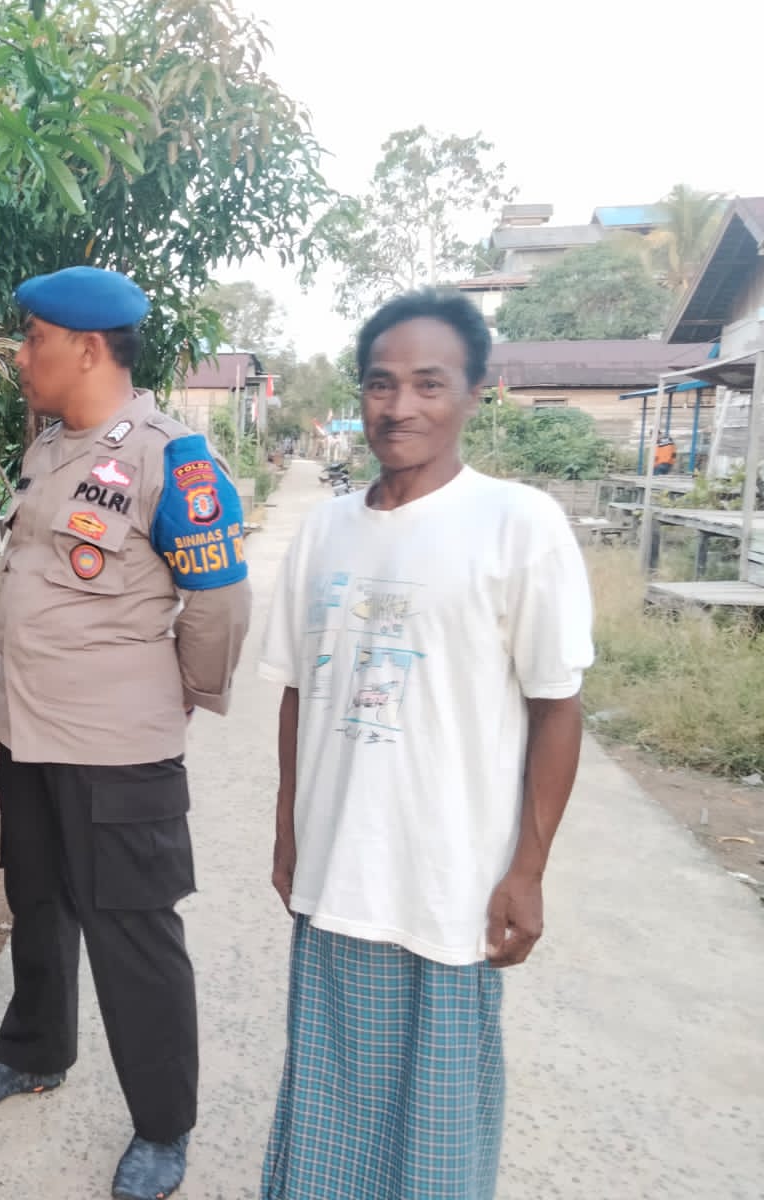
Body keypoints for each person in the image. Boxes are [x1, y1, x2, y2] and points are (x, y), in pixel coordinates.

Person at [258, 290, 594, 1200]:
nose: (398, 405)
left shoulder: (517, 525)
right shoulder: (325, 529)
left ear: (476, 392)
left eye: (428, 383)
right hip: (336, 873)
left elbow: (557, 705)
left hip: (452, 882)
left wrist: (528, 867)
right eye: (379, 382)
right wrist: (289, 833)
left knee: (438, 1124)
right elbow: (297, 690)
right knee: (329, 1096)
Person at [0, 266, 253, 1200]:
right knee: (35, 907)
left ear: (86, 346)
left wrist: (179, 696)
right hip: (29, 733)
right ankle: (35, 1052)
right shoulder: (50, 450)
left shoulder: (176, 459)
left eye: (31, 338)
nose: (19, 355)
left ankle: (164, 1125)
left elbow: (220, 606)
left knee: (134, 938)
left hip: (117, 749)